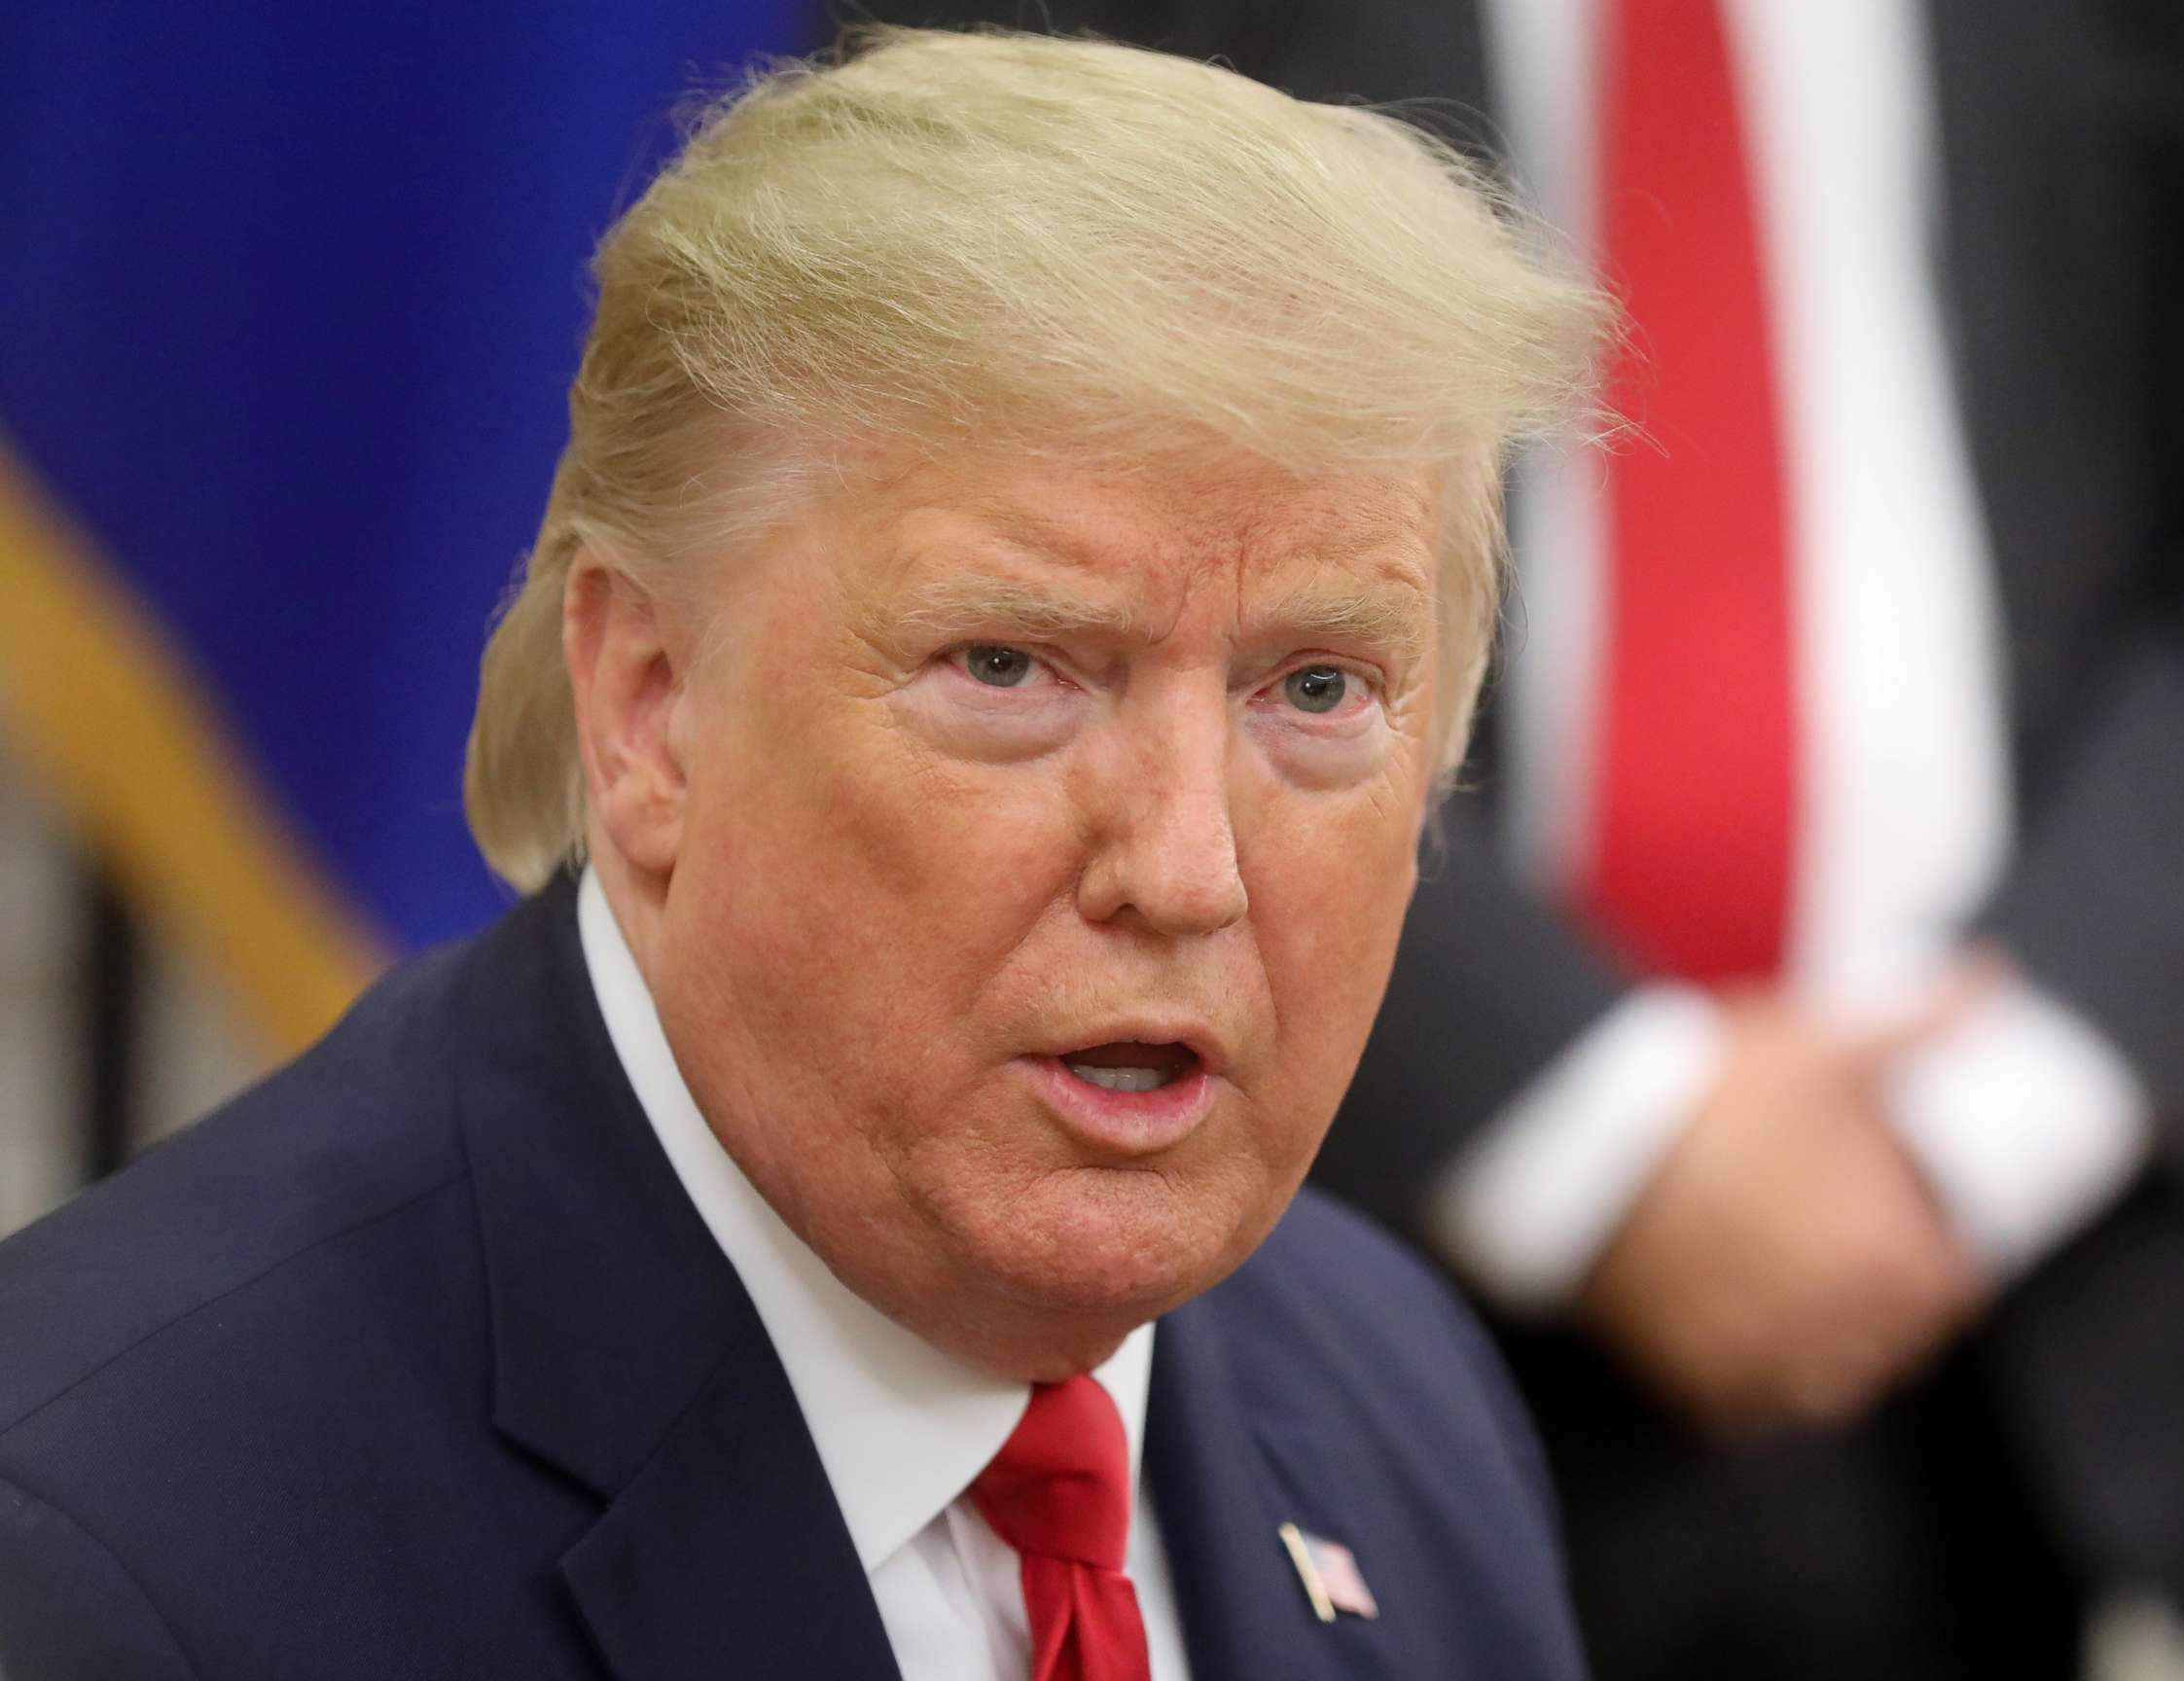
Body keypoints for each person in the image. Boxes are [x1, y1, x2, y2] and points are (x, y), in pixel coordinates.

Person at [0, 29, 1613, 1678]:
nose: (1188, 868)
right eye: (1011, 668)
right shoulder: (106, 1561)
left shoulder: (1390, 1391)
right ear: (651, 711)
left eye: (1319, 688)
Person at [887, 1, 2184, 1675]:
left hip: (1986, 1313)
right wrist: (1598, 1125)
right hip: (1333, 1240)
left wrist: (1971, 1138)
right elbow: (940, 439)